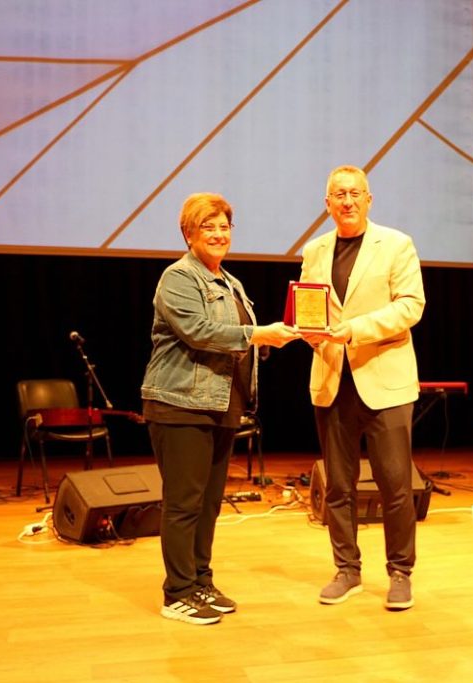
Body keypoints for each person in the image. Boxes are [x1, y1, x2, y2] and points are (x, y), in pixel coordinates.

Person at [141, 192, 299, 625]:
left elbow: (239, 339)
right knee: (183, 503)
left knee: (209, 503)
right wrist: (259, 335)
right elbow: (199, 331)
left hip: (223, 405)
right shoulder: (178, 277)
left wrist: (273, 340)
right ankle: (177, 593)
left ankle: (200, 581)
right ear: (188, 234)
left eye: (224, 226)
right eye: (207, 226)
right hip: (180, 404)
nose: (218, 234)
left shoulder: (231, 282)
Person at [299, 165, 426, 610]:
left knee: (395, 485)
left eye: (355, 193)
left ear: (369, 199)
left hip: (384, 381)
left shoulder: (396, 244)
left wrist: (354, 329)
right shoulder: (314, 250)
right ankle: (347, 570)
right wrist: (307, 330)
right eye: (339, 194)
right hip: (333, 379)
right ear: (327, 203)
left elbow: (411, 306)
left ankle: (400, 573)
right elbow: (310, 308)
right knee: (338, 486)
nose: (347, 201)